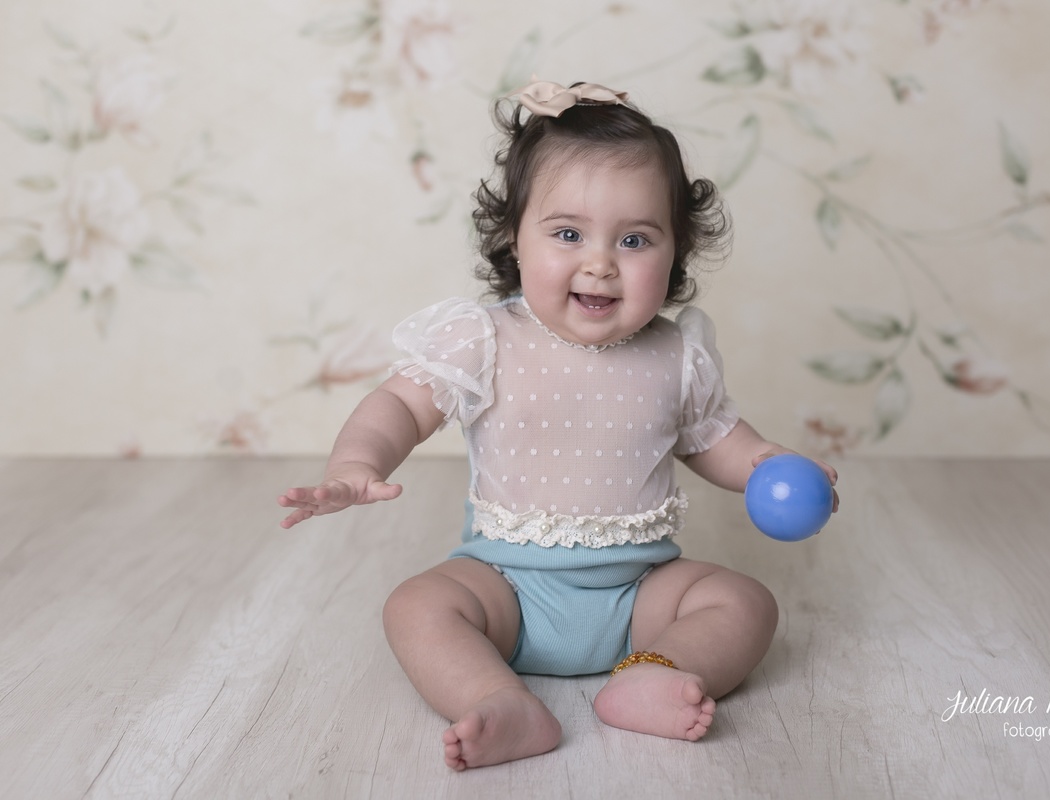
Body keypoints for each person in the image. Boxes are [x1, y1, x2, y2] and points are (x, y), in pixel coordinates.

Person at [278, 78, 839, 771]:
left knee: (744, 602)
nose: (600, 263)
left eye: (634, 239)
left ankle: (654, 671)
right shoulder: (485, 339)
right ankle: (495, 697)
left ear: (676, 253)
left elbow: (717, 439)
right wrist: (355, 466)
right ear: (515, 238)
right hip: (506, 587)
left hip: (641, 594)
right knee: (416, 606)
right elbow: (399, 405)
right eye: (568, 233)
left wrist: (770, 466)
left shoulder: (676, 353)